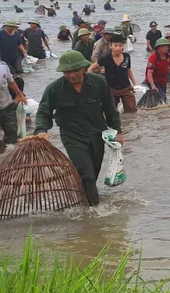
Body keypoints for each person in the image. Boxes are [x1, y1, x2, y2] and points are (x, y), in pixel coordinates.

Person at [33, 51, 122, 205]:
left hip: (97, 134)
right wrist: (41, 130)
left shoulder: (99, 82)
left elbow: (110, 109)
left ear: (83, 68)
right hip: (72, 136)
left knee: (93, 173)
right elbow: (43, 112)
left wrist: (117, 130)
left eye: (75, 71)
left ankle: (81, 200)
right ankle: (94, 210)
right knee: (86, 174)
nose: (72, 75)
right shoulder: (54, 89)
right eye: (67, 72)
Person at [88, 34, 137, 113]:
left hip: (126, 88)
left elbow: (128, 70)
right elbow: (90, 69)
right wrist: (94, 84)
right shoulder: (105, 57)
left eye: (120, 45)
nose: (118, 48)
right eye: (115, 45)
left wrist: (134, 83)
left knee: (132, 110)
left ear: (123, 46)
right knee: (111, 112)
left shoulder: (127, 56)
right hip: (111, 89)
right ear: (111, 46)